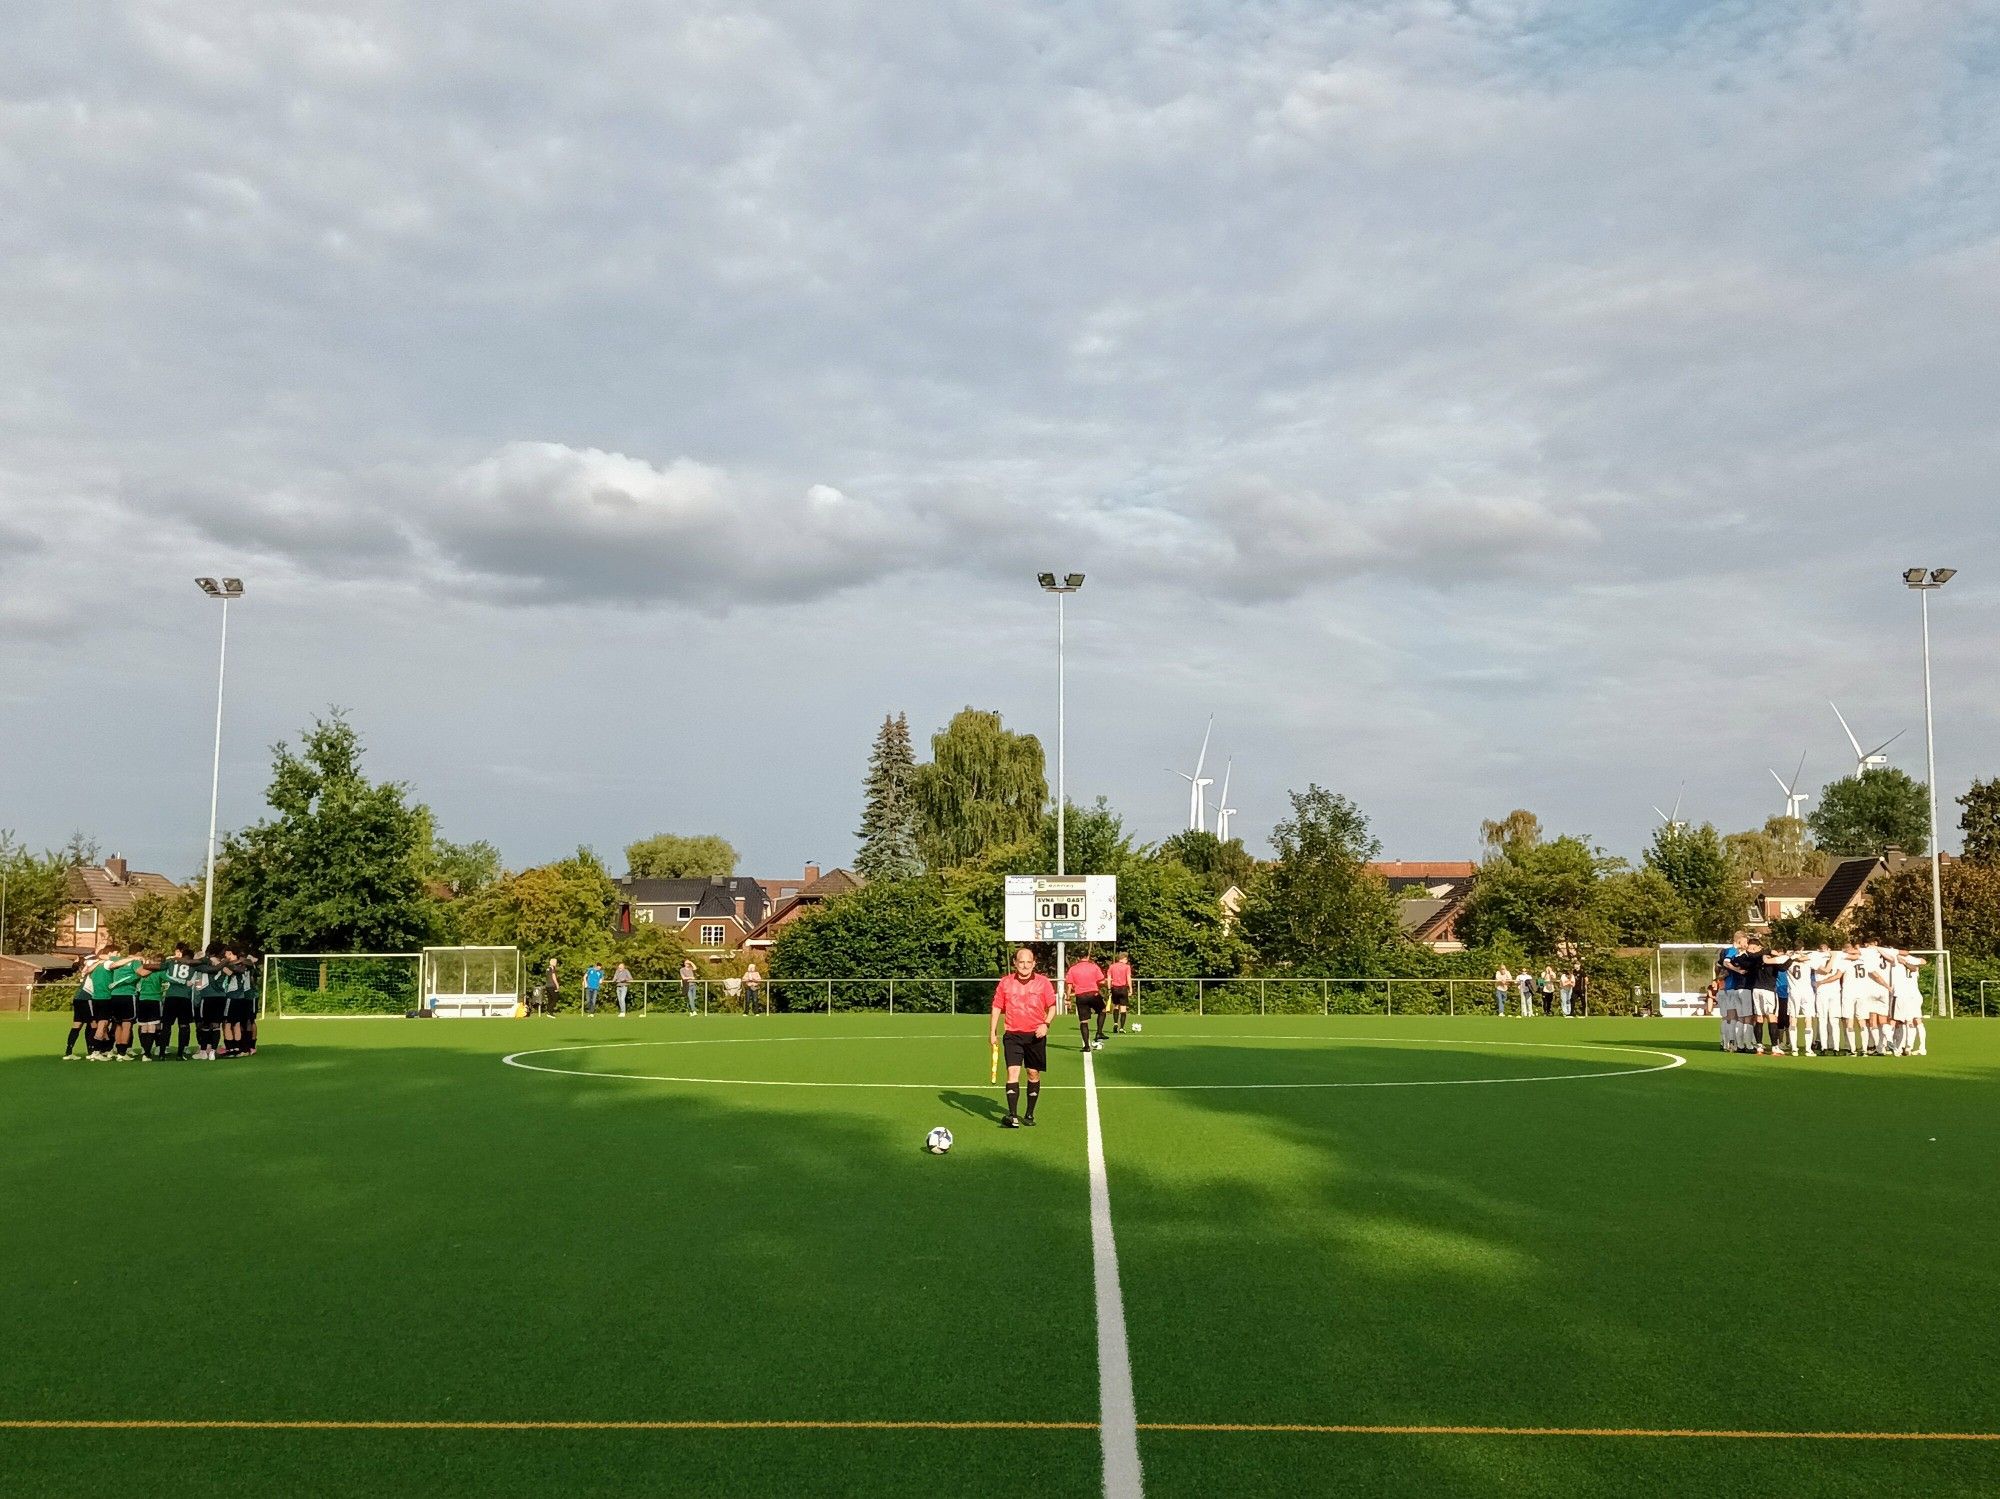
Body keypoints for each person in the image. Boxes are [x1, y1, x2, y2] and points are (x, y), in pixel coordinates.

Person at [990, 947, 1057, 1129]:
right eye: (1021, 962)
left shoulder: (1043, 982)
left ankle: (1029, 1113)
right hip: (1012, 1035)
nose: (1025, 966)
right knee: (1013, 1072)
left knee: (1032, 1074)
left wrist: (1046, 1024)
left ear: (1034, 964)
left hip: (1035, 1035)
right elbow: (996, 1007)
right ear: (1015, 963)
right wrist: (992, 1032)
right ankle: (1012, 1116)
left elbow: (1052, 1006)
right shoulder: (1005, 983)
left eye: (1028, 962)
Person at [1066, 950, 1108, 1052]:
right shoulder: (1093, 966)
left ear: (1078, 957)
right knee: (1102, 1010)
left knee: (1084, 1021)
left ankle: (1086, 1046)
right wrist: (1105, 985)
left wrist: (1068, 999)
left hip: (1080, 996)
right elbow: (1101, 980)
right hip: (1093, 993)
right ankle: (1099, 1032)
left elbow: (1069, 985)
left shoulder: (1072, 969)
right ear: (1088, 956)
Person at [162, 943, 197, 1060]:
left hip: (171, 996)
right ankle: (180, 1054)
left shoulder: (171, 962)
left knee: (166, 1026)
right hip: (184, 998)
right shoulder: (193, 965)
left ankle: (162, 1053)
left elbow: (163, 972)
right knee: (183, 1026)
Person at [1889, 949, 1927, 1056]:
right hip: (1915, 994)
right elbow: (1923, 961)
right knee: (1917, 1021)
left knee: (1907, 1021)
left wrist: (1904, 962)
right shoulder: (1912, 959)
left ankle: (1907, 1047)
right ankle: (1920, 1047)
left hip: (1906, 995)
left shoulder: (1896, 958)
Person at [1105, 951, 1134, 1035]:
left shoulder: (1112, 966)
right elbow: (1128, 977)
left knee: (1116, 1006)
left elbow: (1109, 978)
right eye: (1126, 959)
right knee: (1123, 1008)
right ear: (1123, 958)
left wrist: (1109, 988)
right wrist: (1130, 988)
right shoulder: (1127, 967)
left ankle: (1115, 1023)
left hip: (1115, 988)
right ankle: (1121, 1028)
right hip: (1123, 988)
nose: (1127, 961)